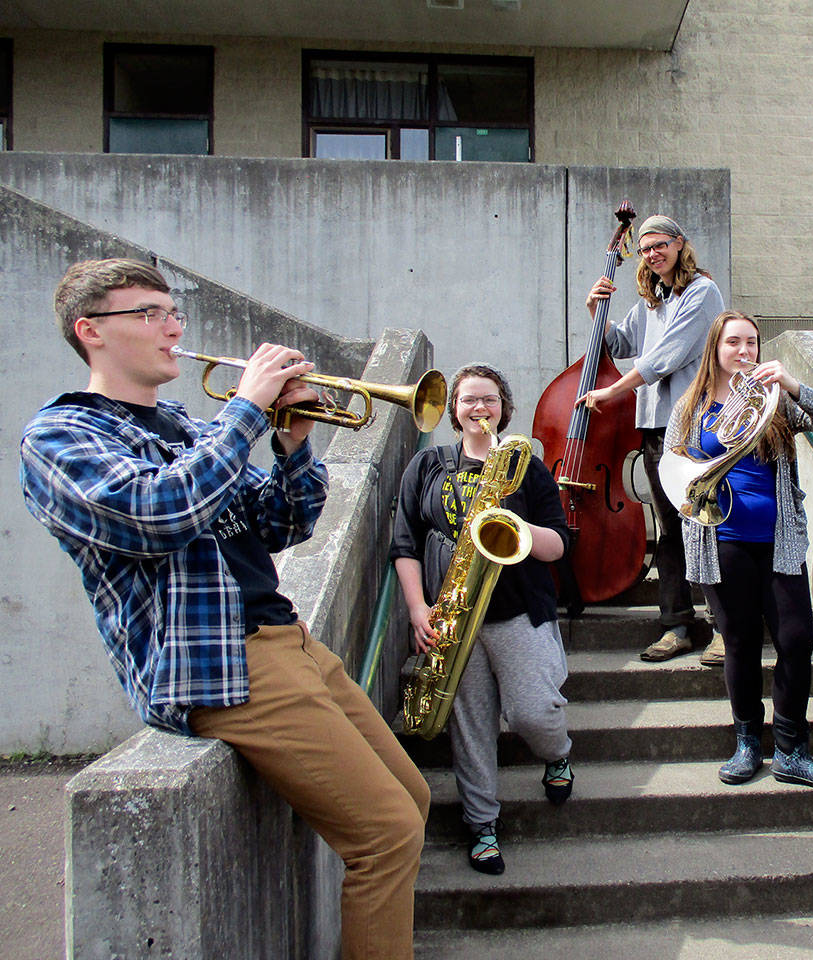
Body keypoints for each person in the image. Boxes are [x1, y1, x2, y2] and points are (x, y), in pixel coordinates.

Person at [19, 258, 430, 960]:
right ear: (90, 332)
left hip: (285, 640)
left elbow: (280, 525)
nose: (173, 326)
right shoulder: (60, 439)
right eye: (147, 314)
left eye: (172, 310)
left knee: (411, 798)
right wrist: (243, 411)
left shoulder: (182, 423)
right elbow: (159, 512)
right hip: (221, 664)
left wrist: (294, 440)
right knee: (384, 832)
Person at [390, 362, 573, 876]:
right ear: (454, 410)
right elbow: (403, 542)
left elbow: (559, 544)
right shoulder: (426, 467)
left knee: (536, 712)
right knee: (470, 726)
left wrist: (516, 525)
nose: (479, 408)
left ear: (503, 407)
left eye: (489, 399)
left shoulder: (526, 467)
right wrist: (416, 607)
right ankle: (482, 825)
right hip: (451, 613)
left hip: (517, 611)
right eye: (469, 399)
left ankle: (557, 752)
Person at [665, 309, 813, 790]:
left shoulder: (772, 399)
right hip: (720, 540)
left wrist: (790, 383)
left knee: (796, 641)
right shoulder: (691, 407)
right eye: (733, 343)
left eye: (751, 343)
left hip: (778, 541)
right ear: (715, 349)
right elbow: (673, 466)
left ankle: (791, 750)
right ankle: (747, 743)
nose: (744, 351)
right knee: (741, 645)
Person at [581, 214, 725, 664]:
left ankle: (724, 627)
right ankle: (677, 625)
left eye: (660, 245)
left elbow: (666, 357)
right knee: (669, 530)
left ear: (681, 244)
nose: (651, 254)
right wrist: (594, 312)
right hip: (656, 427)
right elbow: (621, 343)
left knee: (707, 527)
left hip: (697, 425)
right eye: (644, 249)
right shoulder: (651, 298)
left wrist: (612, 390)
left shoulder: (702, 291)